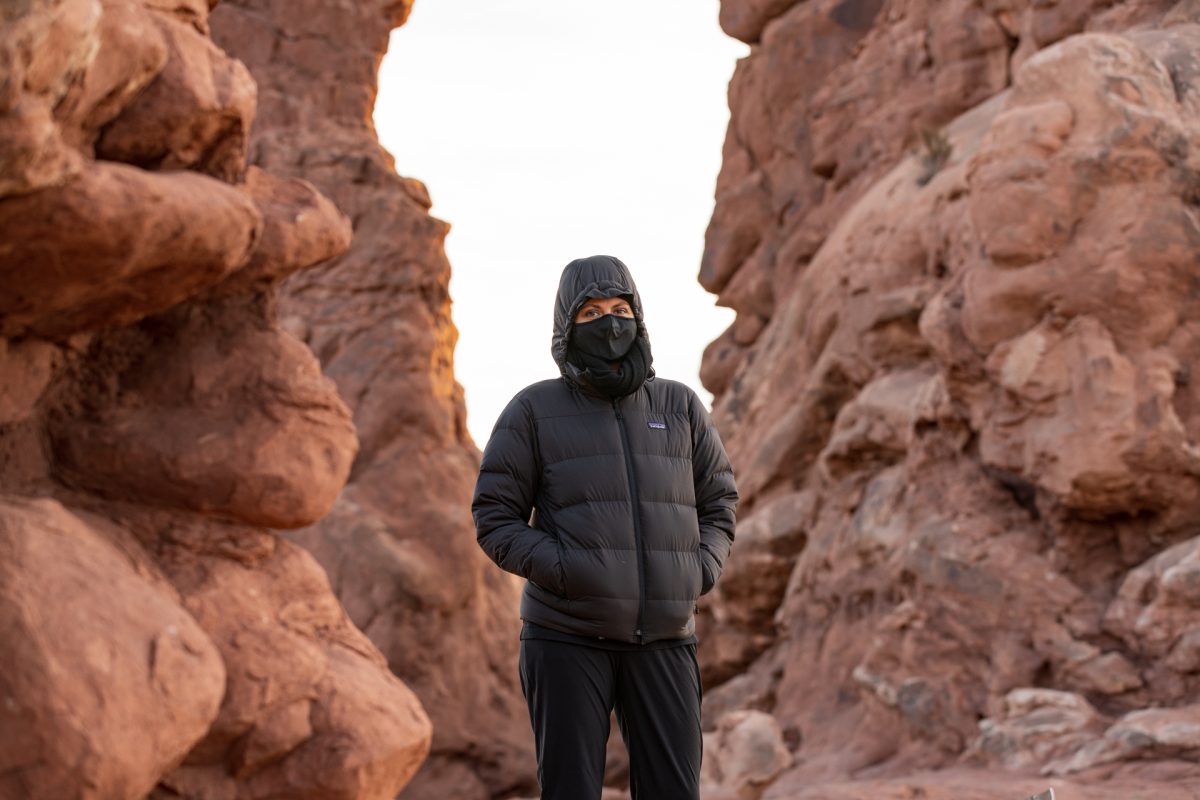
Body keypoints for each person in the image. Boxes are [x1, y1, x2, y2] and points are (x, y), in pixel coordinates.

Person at [471, 254, 738, 800]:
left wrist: (697, 570)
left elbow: (719, 503)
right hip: (565, 636)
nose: (610, 324)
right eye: (591, 312)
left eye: (621, 309)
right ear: (567, 326)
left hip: (667, 638)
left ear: (639, 318)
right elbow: (495, 518)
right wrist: (569, 570)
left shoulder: (679, 406)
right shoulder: (532, 410)